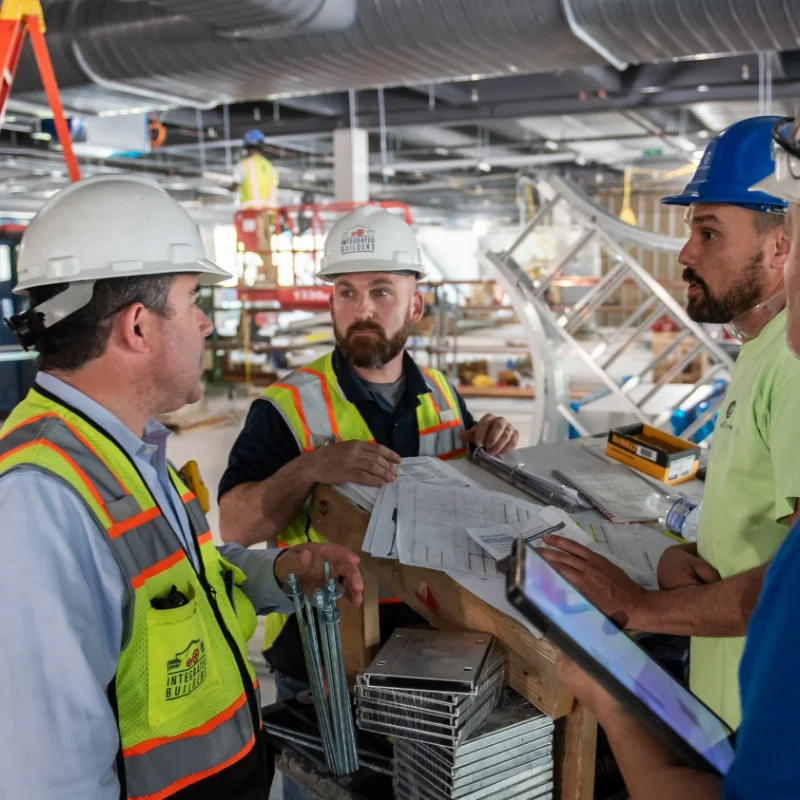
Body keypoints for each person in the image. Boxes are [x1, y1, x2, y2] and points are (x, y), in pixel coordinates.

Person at [0, 174, 363, 800]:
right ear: (138, 327)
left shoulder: (126, 450)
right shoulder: (40, 503)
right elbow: (49, 778)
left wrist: (279, 575)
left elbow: (183, 583)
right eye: (194, 299)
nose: (206, 326)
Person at [219, 205, 520, 799]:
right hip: (321, 654)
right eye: (346, 292)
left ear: (415, 303)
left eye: (381, 290)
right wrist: (308, 468)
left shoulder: (440, 394)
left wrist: (485, 448)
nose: (361, 309)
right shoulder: (286, 407)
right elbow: (235, 523)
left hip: (434, 650)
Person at [556, 112, 800, 800]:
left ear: (781, 247)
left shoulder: (792, 368)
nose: (685, 252)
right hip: (730, 710)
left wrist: (638, 608)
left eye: (709, 231)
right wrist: (680, 549)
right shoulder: (761, 352)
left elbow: (790, 587)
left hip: (765, 739)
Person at [232, 129, 279, 286]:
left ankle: (268, 277)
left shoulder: (244, 165)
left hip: (252, 213)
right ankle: (270, 275)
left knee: (256, 244)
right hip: (268, 214)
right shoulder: (270, 166)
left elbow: (235, 184)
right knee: (266, 246)